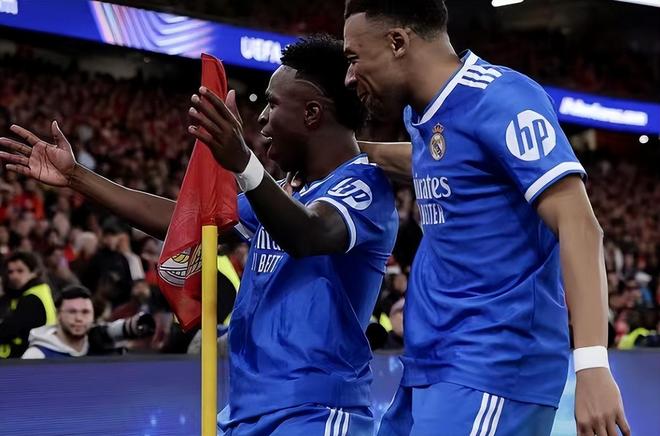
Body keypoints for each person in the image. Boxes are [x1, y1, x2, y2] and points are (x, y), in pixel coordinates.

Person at [1, 35, 398, 435]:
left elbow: (309, 234)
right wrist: (76, 176)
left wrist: (244, 163)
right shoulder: (284, 194)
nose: (261, 118)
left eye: (272, 104)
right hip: (246, 410)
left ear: (312, 113)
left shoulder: (364, 187)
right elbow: (183, 221)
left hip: (315, 411)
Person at [342, 1, 629, 435]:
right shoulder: (423, 114)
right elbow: (439, 160)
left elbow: (580, 224)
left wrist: (591, 365)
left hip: (494, 366)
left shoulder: (501, 98)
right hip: (432, 363)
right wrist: (342, 152)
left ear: (398, 42)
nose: (349, 76)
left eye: (354, 58)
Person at [0, 251, 56, 358]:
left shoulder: (31, 298)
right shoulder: (42, 291)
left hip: (30, 357)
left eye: (20, 271)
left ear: (33, 272)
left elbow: (9, 330)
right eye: (10, 272)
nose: (14, 276)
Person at [22, 285, 94, 359]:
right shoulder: (36, 355)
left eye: (85, 312)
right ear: (58, 314)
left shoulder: (98, 347)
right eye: (72, 312)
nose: (79, 318)